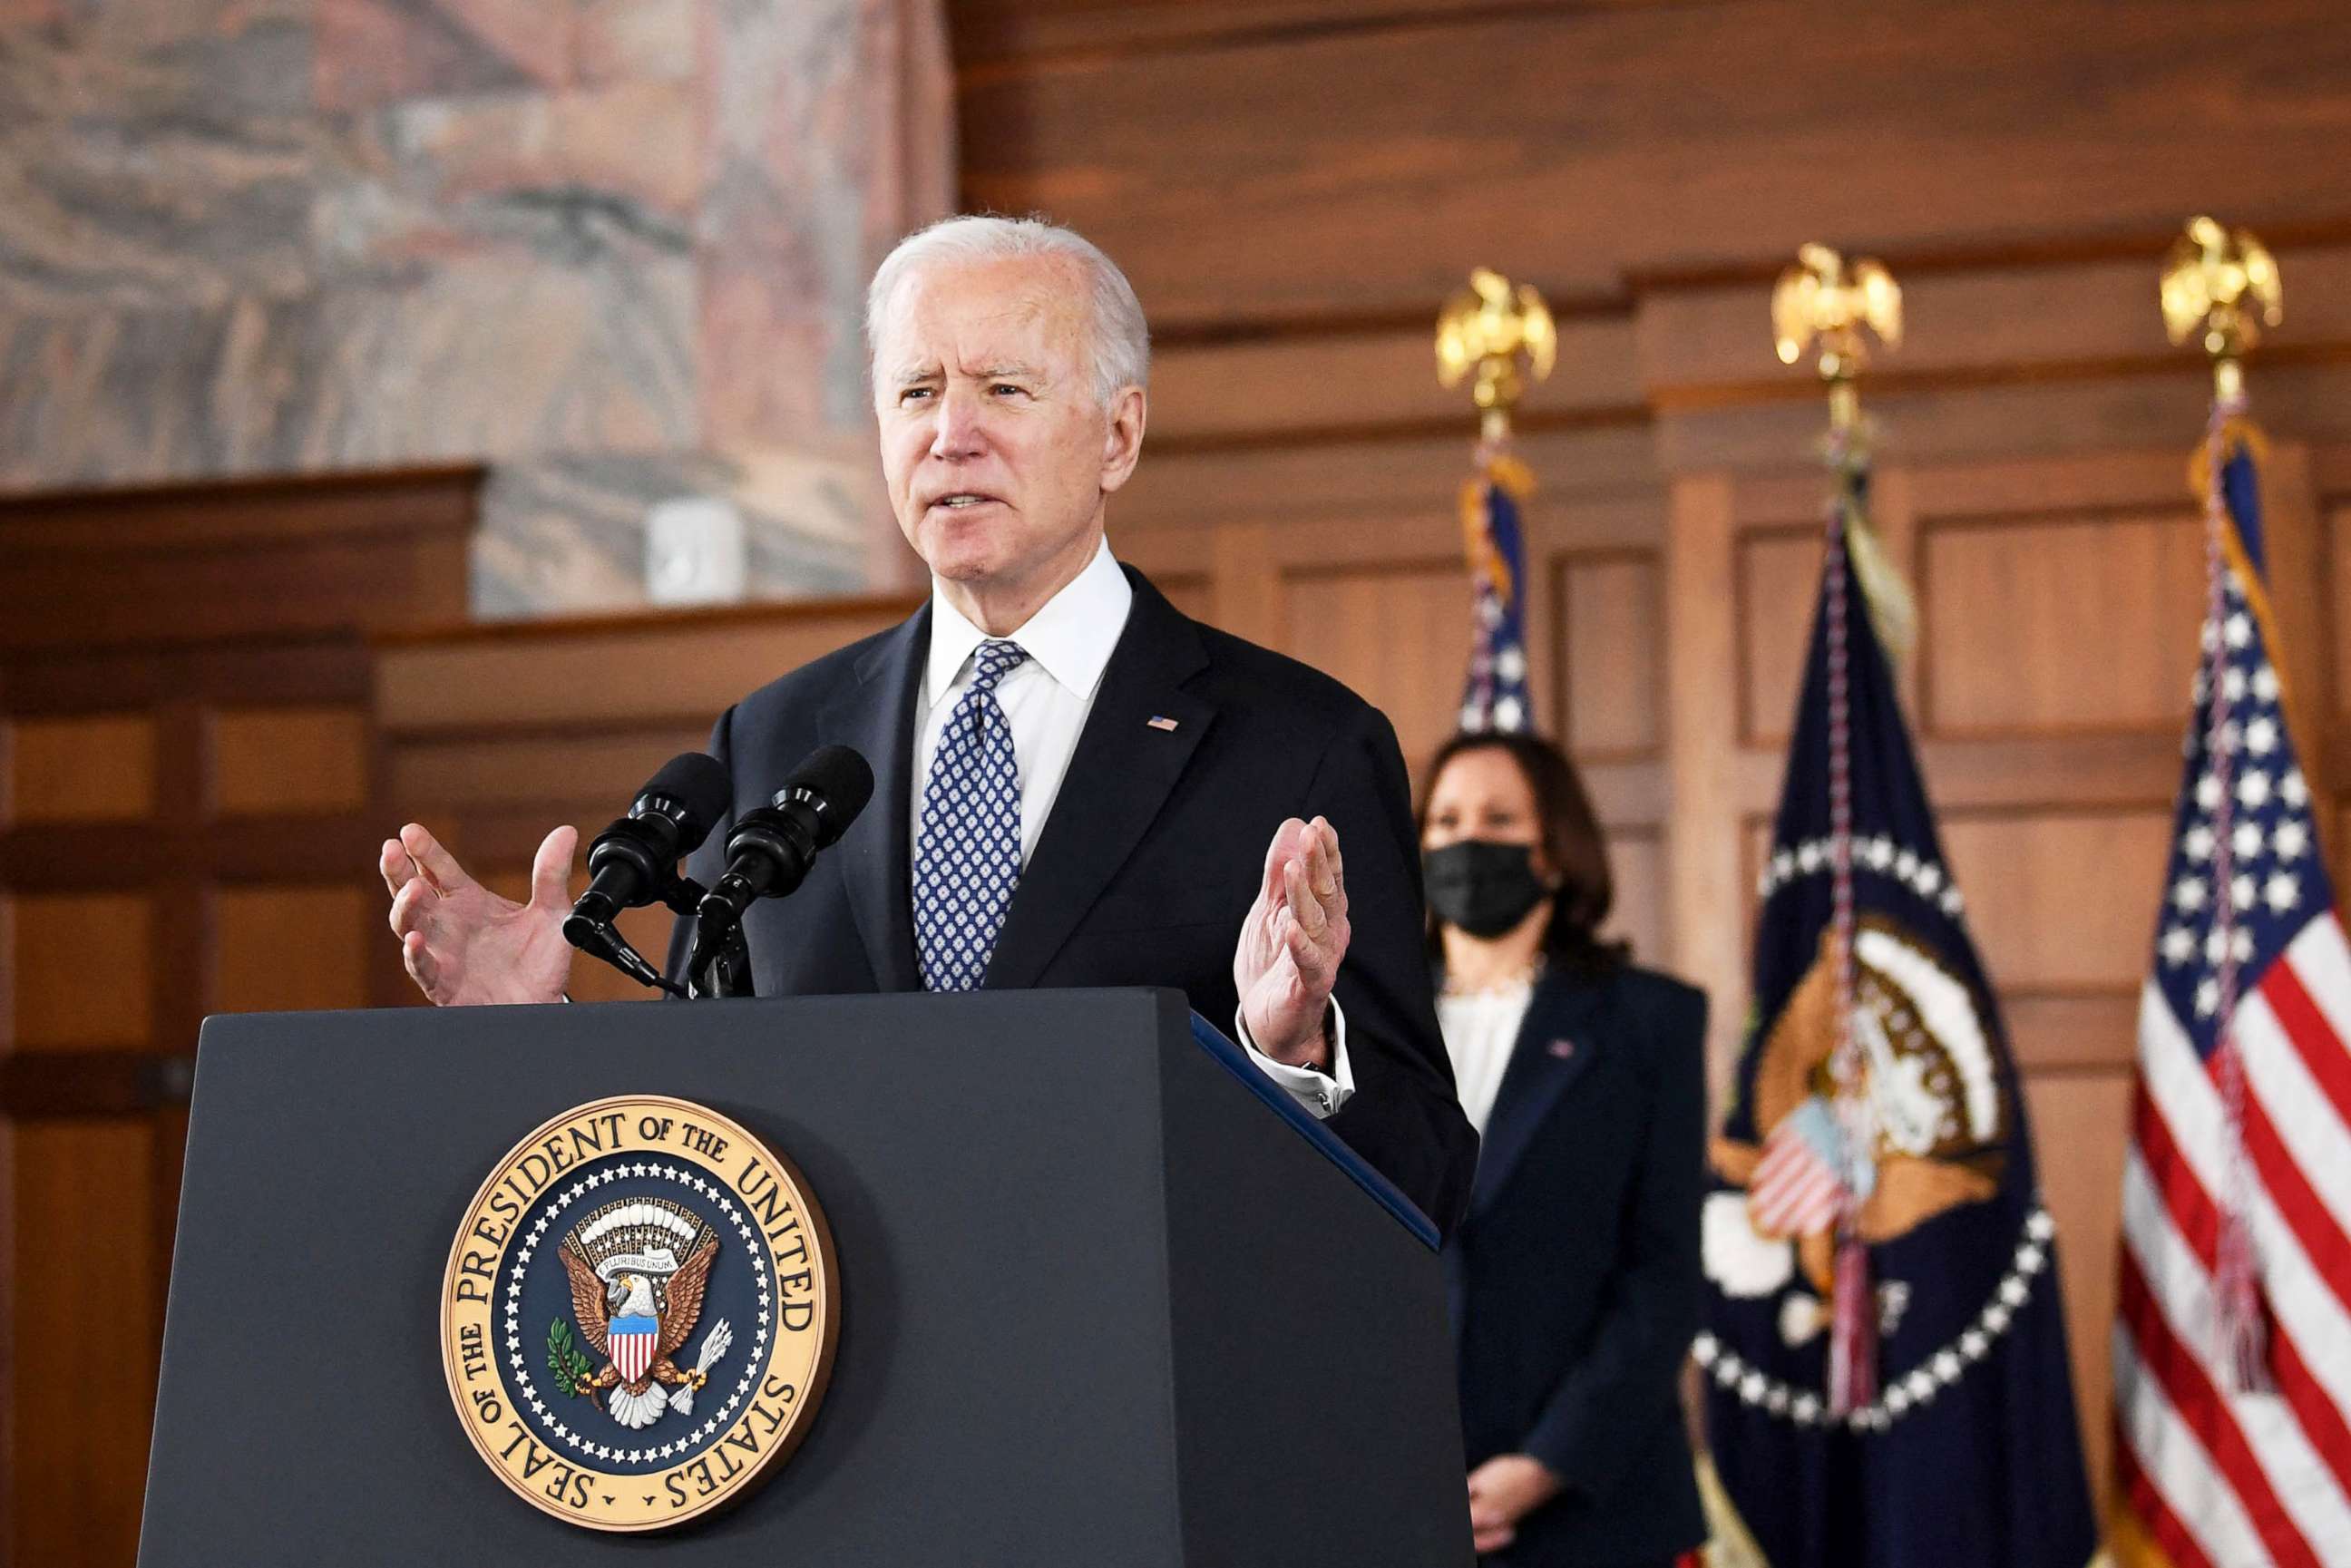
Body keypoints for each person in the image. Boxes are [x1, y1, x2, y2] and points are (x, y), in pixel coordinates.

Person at [378, 215, 1477, 1237]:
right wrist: (535, 1041)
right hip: (841, 1420)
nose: (952, 434)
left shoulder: (1298, 746)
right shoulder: (769, 740)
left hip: (1148, 1406)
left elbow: (1427, 1172)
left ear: (1119, 433)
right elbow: (697, 1138)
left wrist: (1288, 1054)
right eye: (915, 392)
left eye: (1003, 388)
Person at [1420, 730, 1707, 1564]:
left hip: (1593, 1506)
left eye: (1500, 819)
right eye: (1444, 820)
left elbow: (1663, 1279)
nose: (1468, 841)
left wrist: (1545, 1464)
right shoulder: (1357, 1020)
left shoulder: (1648, 1022)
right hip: (1393, 1492)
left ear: (1555, 852)